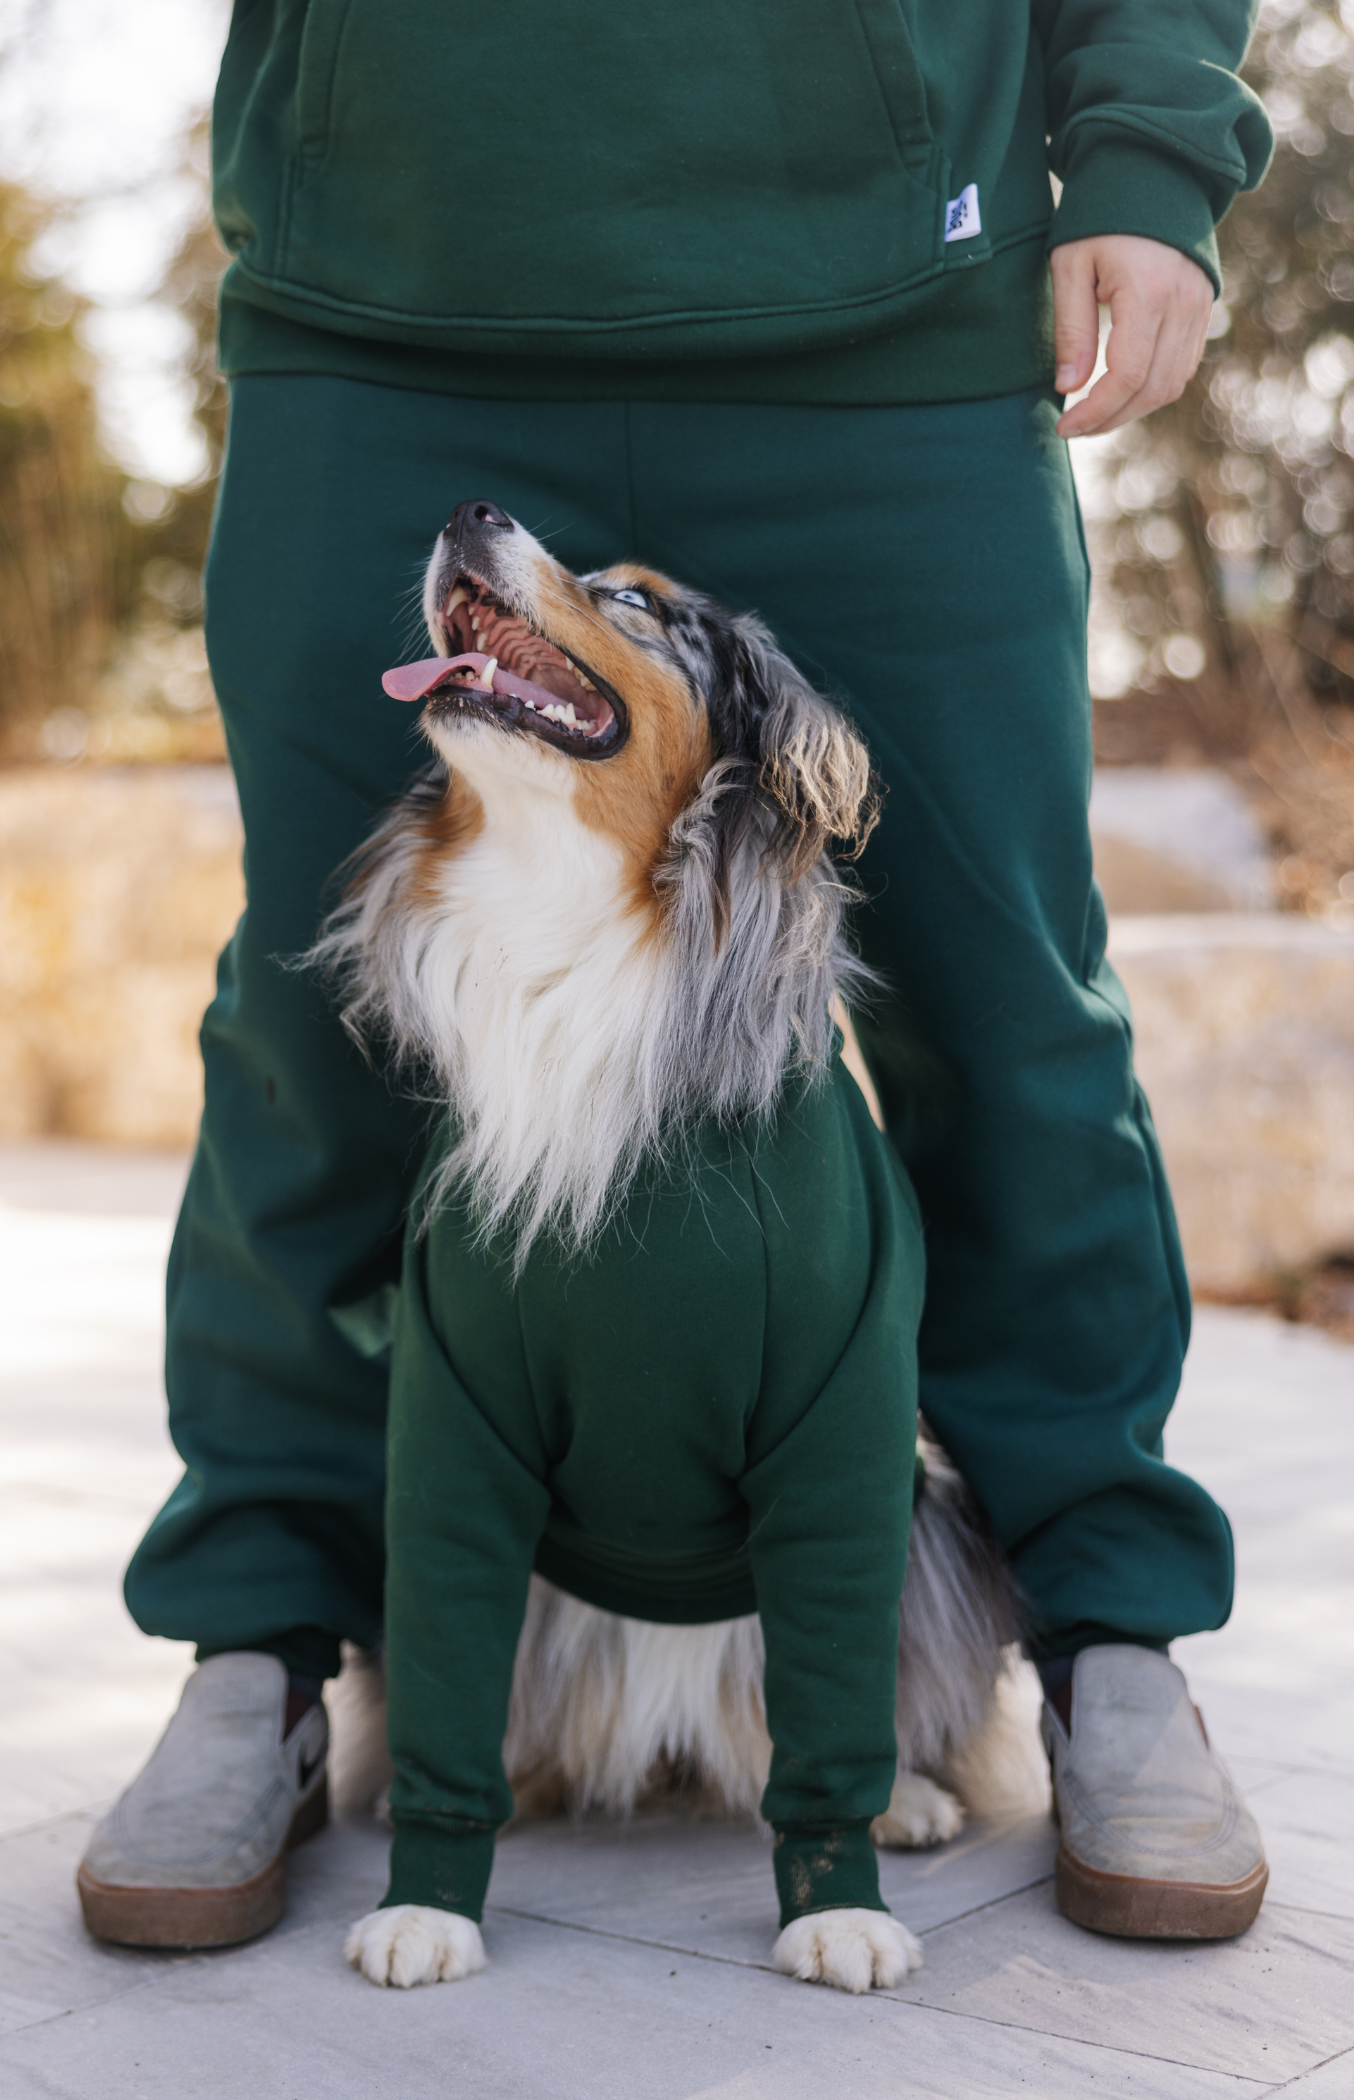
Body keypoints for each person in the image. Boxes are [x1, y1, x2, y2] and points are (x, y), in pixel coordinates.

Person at [76, 0, 1276, 1951]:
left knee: (1006, 1012)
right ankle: (258, 1648)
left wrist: (1146, 151)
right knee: (317, 1029)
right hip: (384, 299)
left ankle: (1105, 1630)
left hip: (893, 303)